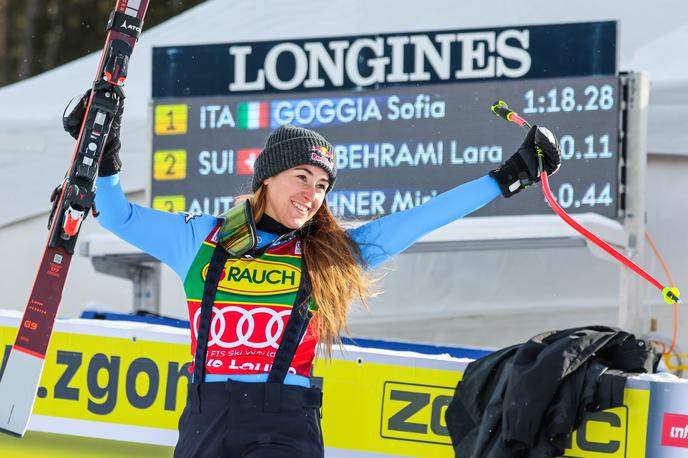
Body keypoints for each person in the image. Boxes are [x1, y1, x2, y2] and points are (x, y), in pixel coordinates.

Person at [63, 92, 561, 458]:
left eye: (322, 185)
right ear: (267, 178)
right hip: (205, 415)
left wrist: (509, 174)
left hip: (284, 419)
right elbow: (118, 215)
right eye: (302, 177)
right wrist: (105, 152)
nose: (312, 193)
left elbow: (422, 217)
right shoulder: (202, 238)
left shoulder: (330, 255)